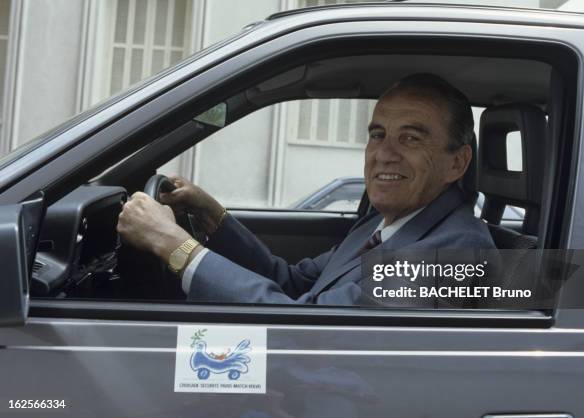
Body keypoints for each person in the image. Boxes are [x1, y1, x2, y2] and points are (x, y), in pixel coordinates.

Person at [117, 73, 496, 305]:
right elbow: (294, 283)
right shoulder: (381, 226)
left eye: (411, 139)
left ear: (457, 163)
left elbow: (306, 330)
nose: (384, 154)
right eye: (377, 134)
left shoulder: (456, 253)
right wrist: (211, 214)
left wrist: (174, 245)